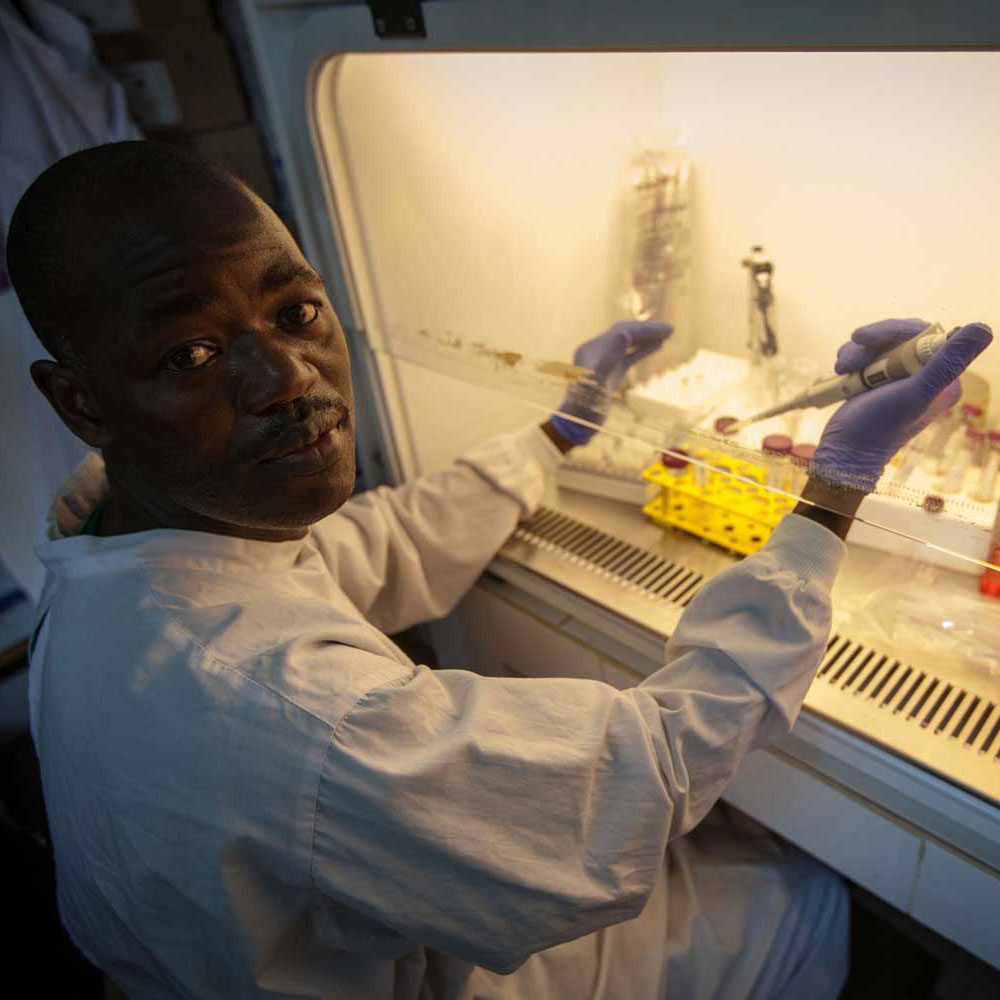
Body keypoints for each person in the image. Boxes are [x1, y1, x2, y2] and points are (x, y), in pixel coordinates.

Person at [5, 141, 991, 1000]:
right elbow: (652, 765)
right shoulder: (300, 717)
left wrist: (563, 428)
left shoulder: (114, 557)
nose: (289, 378)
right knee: (797, 896)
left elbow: (367, 546)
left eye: (297, 308)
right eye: (190, 353)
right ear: (79, 401)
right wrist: (831, 495)